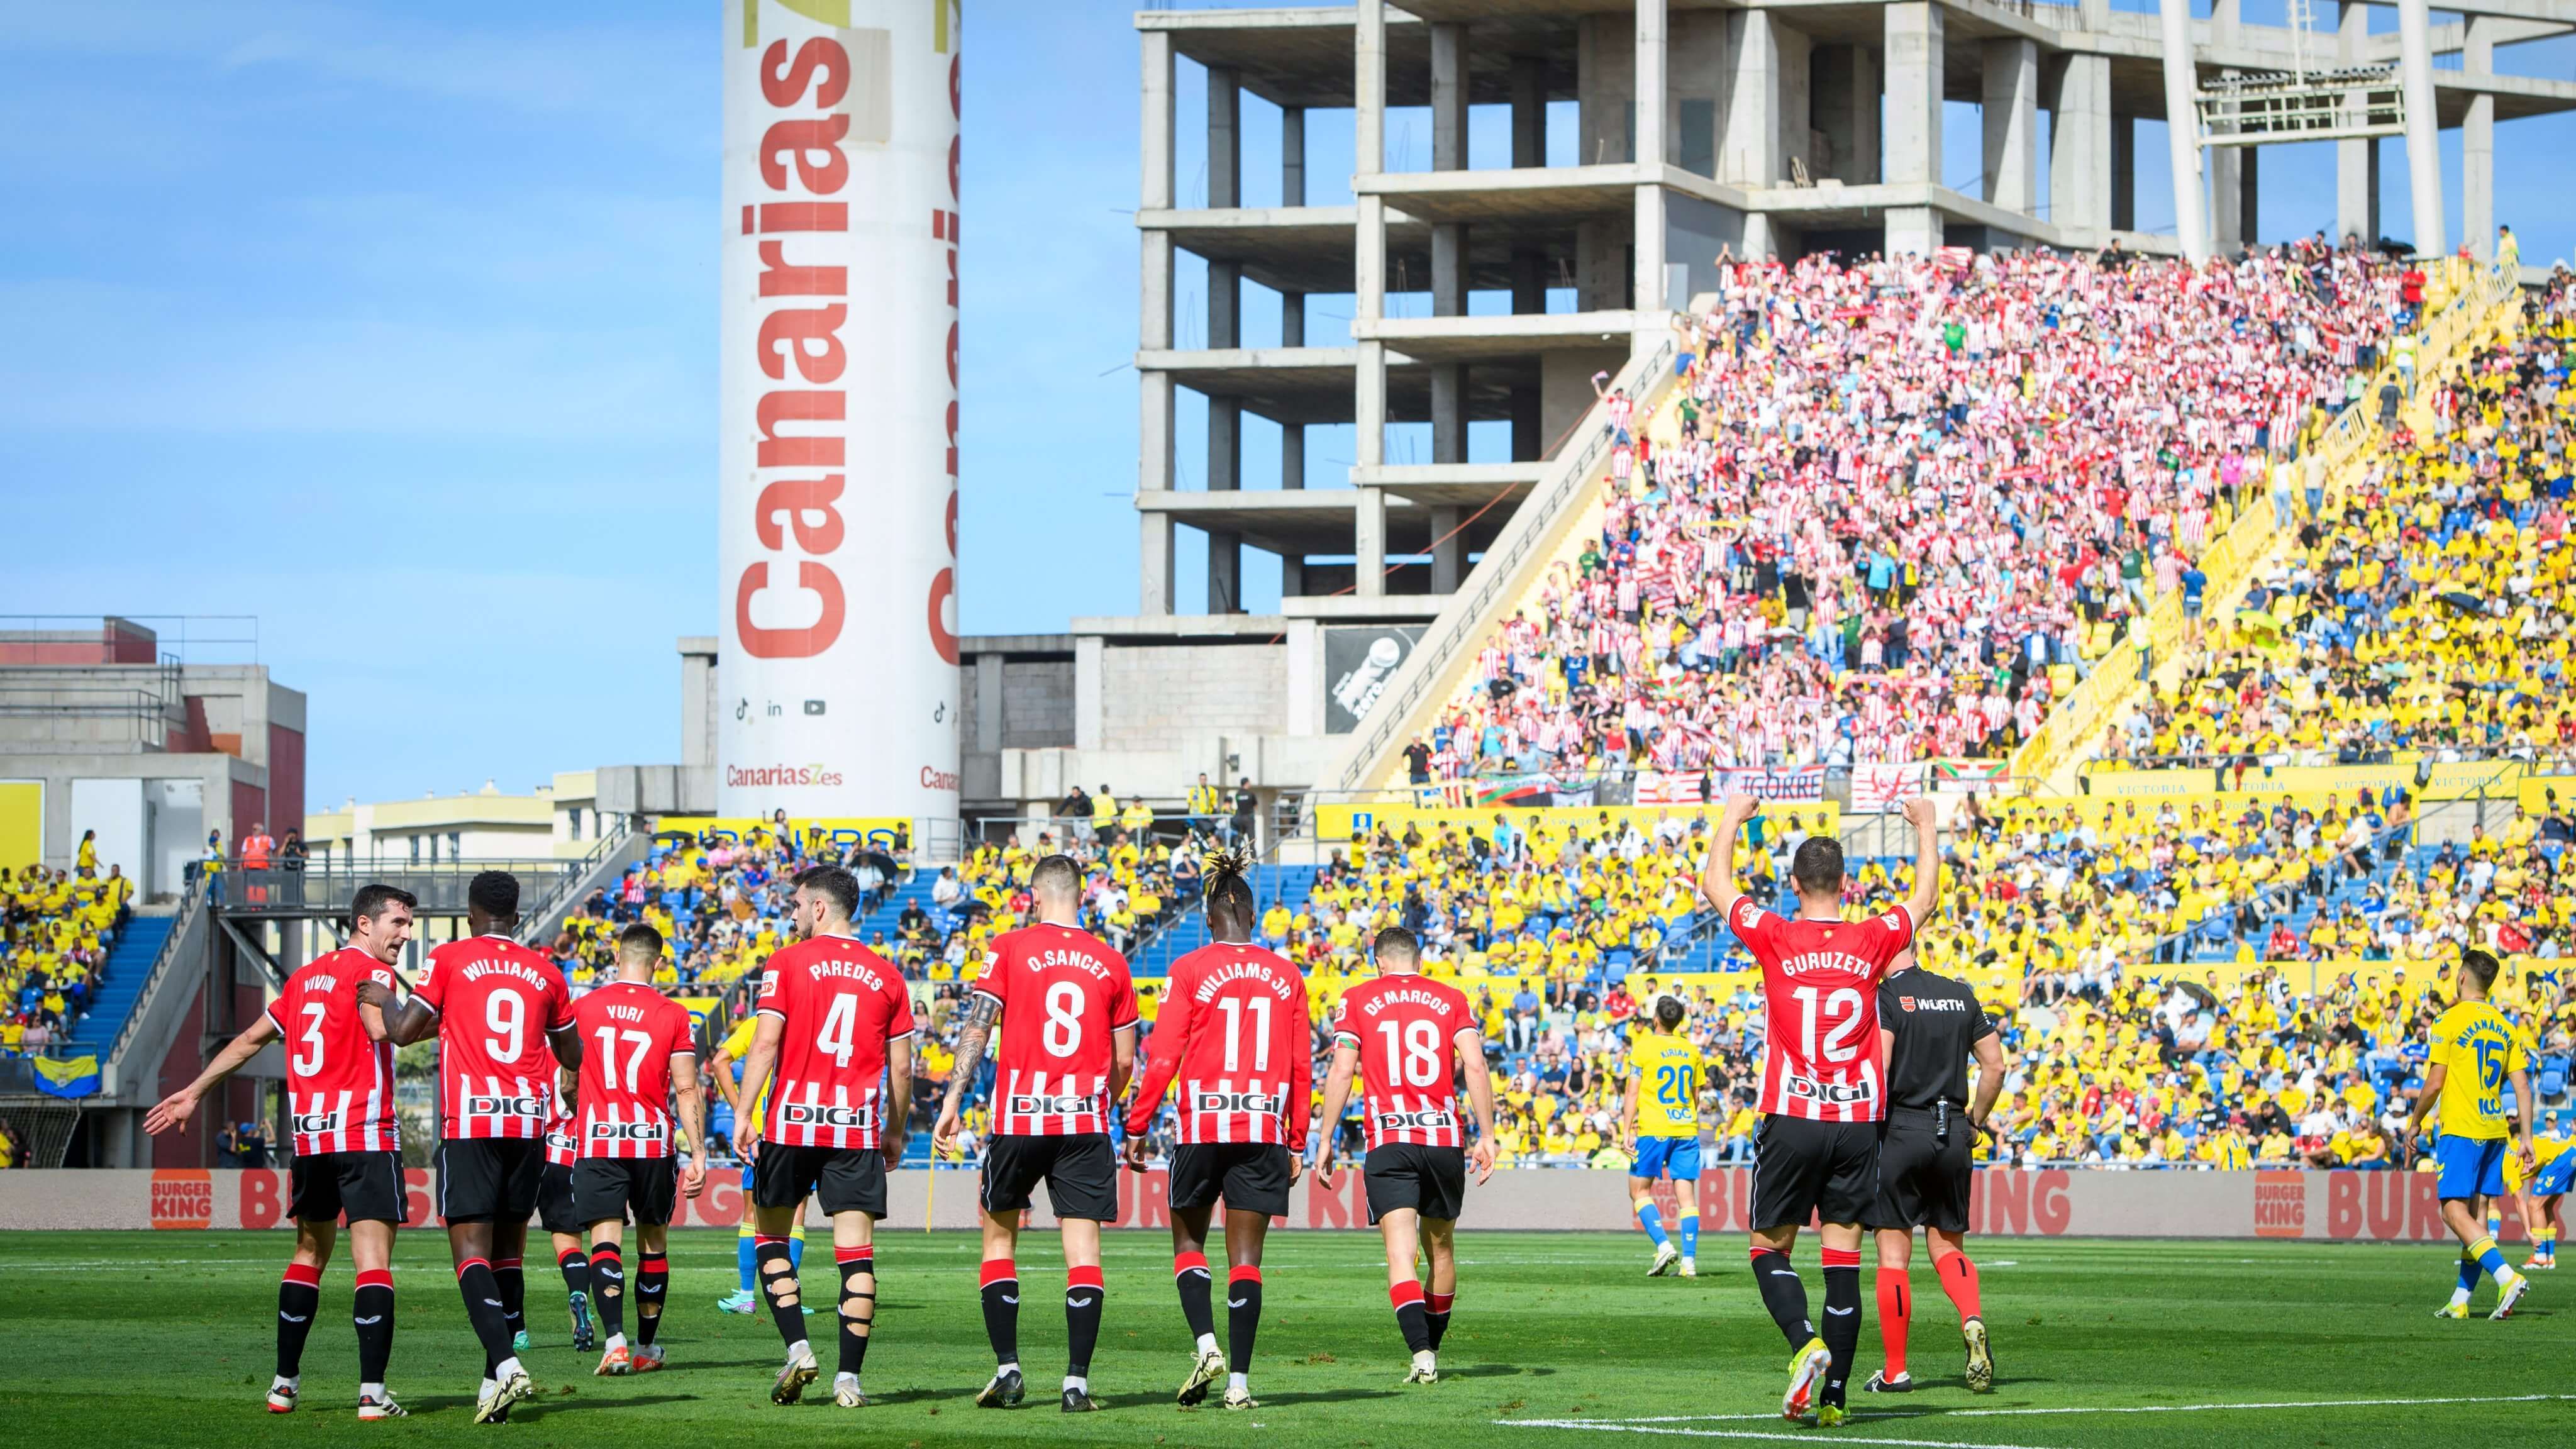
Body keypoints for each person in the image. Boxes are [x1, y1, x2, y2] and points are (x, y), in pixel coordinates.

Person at [1699, 794, 1940, 1428]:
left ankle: (1807, 1345)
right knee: (1842, 1263)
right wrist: (1927, 826)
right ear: (1846, 884)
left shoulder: (1776, 934)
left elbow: (1714, 883)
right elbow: (1924, 902)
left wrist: (1731, 815)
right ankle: (1834, 1404)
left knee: (1767, 1250)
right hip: (1857, 1122)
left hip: (1792, 1113)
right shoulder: (1868, 938)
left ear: (1794, 884)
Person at [145, 883, 417, 1420]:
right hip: (364, 1135)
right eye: (398, 923)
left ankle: (283, 1385)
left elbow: (249, 1040)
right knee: (373, 1261)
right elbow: (382, 1029)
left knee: (308, 1256)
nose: (405, 935)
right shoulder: (373, 974)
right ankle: (372, 1394)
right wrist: (444, 1025)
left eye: (409, 925)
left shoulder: (301, 981)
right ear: (365, 924)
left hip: (312, 1142)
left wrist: (193, 1092)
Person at [363, 871, 580, 1424]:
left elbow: (406, 1031)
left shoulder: (450, 959)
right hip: (530, 1125)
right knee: (509, 1254)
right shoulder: (547, 972)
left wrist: (387, 997)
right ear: (518, 915)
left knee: (470, 1254)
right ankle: (492, 1388)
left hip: (473, 1123)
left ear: (469, 913)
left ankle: (506, 1364)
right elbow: (573, 1054)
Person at [933, 853, 1140, 1414]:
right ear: (1082, 896)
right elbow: (1125, 1060)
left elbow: (978, 1024)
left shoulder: (1009, 947)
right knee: (1084, 1253)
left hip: (1019, 1118)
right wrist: (1099, 1104)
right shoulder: (1111, 963)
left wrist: (953, 1099)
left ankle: (1008, 1371)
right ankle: (1075, 1384)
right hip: (1084, 1124)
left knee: (999, 1241)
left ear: (1033, 895)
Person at [1120, 848, 1312, 1411]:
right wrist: (1297, 1139)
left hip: (1202, 1126)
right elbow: (1302, 1066)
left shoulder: (1190, 968)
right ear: (1253, 919)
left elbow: (1164, 1056)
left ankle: (1206, 1346)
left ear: (1209, 922)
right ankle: (1240, 1387)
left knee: (1188, 1242)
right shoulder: (1287, 975)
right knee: (1246, 1261)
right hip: (1261, 1127)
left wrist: (1138, 1123)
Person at [729, 865, 918, 1408]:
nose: (790, 914)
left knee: (770, 1241)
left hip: (790, 1125)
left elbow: (764, 1046)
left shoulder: (786, 962)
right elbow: (901, 1071)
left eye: (795, 905)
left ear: (818, 908)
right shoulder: (888, 976)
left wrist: (745, 1111)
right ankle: (849, 1380)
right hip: (855, 1131)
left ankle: (798, 1349)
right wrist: (896, 1132)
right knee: (856, 1256)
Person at [1312, 925, 1500, 1387]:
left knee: (1401, 1252)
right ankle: (1431, 1348)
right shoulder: (1452, 998)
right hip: (1442, 1137)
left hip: (1389, 1138)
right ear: (1419, 960)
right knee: (1441, 1248)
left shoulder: (1356, 999)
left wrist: (1325, 1138)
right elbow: (1475, 1064)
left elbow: (1342, 1070)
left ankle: (1420, 1354)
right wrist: (1488, 1135)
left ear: (1379, 962)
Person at [1863, 947, 2005, 1395]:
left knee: (1893, 1256)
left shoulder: (1885, 996)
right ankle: (1971, 1316)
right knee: (1947, 1246)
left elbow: (1881, 1067)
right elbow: (1995, 1066)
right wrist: (1976, 1121)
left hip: (1902, 1127)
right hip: (1954, 1129)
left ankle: (1896, 1370)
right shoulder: (1960, 995)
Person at [570, 923, 706, 1376]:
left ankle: (614, 1342)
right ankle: (646, 1347)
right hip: (651, 1141)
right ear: (659, 963)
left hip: (599, 1138)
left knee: (604, 1240)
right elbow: (686, 1089)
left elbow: (567, 1078)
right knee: (653, 1241)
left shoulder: (583, 1008)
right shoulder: (672, 1013)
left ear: (616, 955)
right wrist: (699, 1154)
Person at [2403, 947, 2535, 1320]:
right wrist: (2525, 1138)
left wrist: (2416, 1122)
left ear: (2462, 977)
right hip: (2495, 1130)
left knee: (2452, 1211)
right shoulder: (2506, 1026)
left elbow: (2434, 1083)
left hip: (2462, 1128)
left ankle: (2506, 1276)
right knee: (2472, 1216)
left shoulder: (2448, 1021)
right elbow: (2523, 1088)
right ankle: (2461, 1299)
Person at [709, 1009, 811, 1314]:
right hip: (802, 1128)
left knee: (752, 1214)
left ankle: (745, 1295)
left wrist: (742, 1108)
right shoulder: (810, 1021)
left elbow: (719, 1061)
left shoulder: (759, 1023)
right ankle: (790, 1294)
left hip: (763, 1131)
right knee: (797, 1217)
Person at [1620, 994, 1707, 1278]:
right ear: (1680, 1021)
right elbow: (1696, 1096)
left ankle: (1663, 1245)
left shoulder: (1643, 1047)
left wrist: (1626, 1130)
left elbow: (1632, 1091)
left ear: (1656, 1019)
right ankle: (1689, 1263)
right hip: (1686, 1129)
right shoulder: (1692, 1052)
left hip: (1654, 1129)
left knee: (1639, 1190)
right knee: (1687, 1198)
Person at [535, 1104, 598, 1352]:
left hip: (556, 1157)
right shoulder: (599, 1065)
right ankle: (614, 1330)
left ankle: (577, 1293)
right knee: (605, 1241)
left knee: (567, 1244)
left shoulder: (542, 1065)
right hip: (596, 1157)